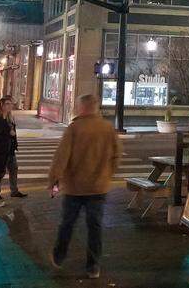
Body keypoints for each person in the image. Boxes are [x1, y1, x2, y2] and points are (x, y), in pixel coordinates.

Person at [48, 93, 120, 279]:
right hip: (98, 187)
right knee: (95, 227)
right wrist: (107, 175)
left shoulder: (75, 128)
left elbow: (61, 157)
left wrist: (54, 180)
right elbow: (116, 155)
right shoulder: (107, 128)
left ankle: (59, 255)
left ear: (82, 107)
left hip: (75, 187)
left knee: (67, 223)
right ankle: (93, 266)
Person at [2, 95, 27, 198]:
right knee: (1, 172)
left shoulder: (10, 116)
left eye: (11, 104)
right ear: (2, 105)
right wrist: (9, 133)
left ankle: (14, 190)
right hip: (3, 150)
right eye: (7, 104)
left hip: (10, 149)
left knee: (14, 169)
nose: (10, 106)